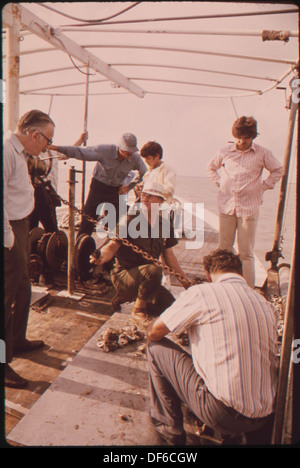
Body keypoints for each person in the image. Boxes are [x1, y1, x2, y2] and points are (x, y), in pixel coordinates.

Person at [146, 249, 280, 446]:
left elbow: (154, 332)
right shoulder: (265, 304)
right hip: (263, 416)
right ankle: (230, 436)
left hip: (221, 414)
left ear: (209, 274)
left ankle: (170, 434)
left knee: (155, 349)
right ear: (240, 273)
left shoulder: (202, 292)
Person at [91, 180, 190, 327]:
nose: (145, 199)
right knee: (155, 270)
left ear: (161, 201)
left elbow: (169, 256)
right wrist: (100, 255)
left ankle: (128, 299)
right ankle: (137, 311)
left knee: (171, 307)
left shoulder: (165, 224)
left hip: (149, 280)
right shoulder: (129, 220)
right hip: (125, 276)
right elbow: (112, 246)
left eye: (150, 196)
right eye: (143, 195)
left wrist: (186, 283)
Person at [4, 109, 55, 388]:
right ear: (35, 134)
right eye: (47, 140)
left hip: (19, 225)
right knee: (5, 297)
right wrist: (8, 239)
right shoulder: (5, 151)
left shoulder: (20, 152)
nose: (47, 146)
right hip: (8, 230)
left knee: (23, 287)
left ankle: (16, 340)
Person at [206, 116, 283, 288]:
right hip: (226, 206)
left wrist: (263, 187)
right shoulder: (224, 151)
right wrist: (219, 183)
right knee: (224, 249)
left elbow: (278, 170)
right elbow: (210, 168)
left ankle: (246, 289)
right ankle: (220, 285)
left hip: (249, 208)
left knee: (246, 253)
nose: (241, 141)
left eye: (246, 138)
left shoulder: (263, 153)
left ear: (253, 137)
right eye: (238, 137)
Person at [49, 132, 147, 238]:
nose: (130, 155)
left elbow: (144, 172)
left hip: (115, 190)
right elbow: (80, 151)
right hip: (98, 188)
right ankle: (80, 249)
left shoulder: (135, 158)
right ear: (120, 148)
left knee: (119, 223)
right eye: (127, 152)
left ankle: (110, 251)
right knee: (87, 221)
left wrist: (129, 187)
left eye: (132, 152)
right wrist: (55, 147)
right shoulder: (104, 150)